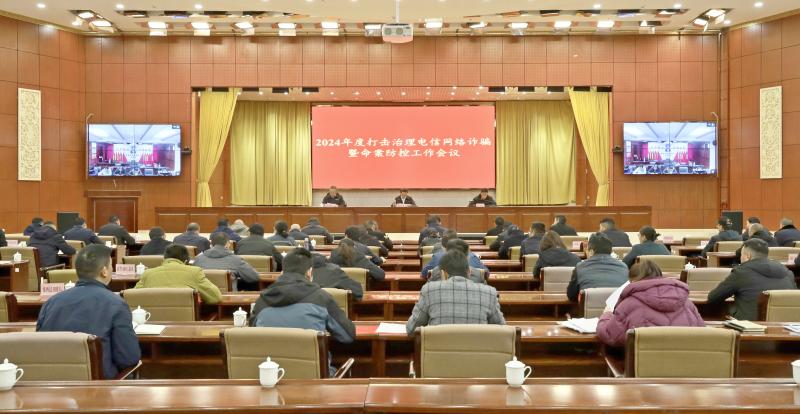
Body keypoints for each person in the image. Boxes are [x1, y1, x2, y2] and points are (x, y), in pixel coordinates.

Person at [36, 244, 140, 379]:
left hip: (53, 384)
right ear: (104, 271)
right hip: (100, 387)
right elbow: (128, 359)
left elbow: (39, 347)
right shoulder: (116, 304)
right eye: (111, 266)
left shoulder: (51, 302)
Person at [251, 249, 355, 377]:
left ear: (282, 272)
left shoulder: (261, 301)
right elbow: (347, 335)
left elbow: (253, 336)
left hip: (272, 377)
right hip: (316, 381)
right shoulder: (321, 298)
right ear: (310, 272)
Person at [596, 260, 704, 347]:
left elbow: (609, 335)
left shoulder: (628, 304)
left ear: (633, 281)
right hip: (686, 364)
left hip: (643, 366)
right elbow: (702, 332)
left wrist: (606, 315)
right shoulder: (687, 303)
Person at [406, 250, 505, 335]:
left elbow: (411, 329)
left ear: (443, 273)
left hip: (438, 351)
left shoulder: (428, 290)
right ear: (469, 272)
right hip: (478, 351)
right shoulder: (490, 293)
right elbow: (502, 331)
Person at [709, 238, 797, 320]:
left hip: (750, 326)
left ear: (748, 256)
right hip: (785, 324)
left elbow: (713, 297)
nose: (740, 258)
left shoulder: (741, 272)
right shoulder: (788, 273)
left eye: (741, 255)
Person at [134, 244, 222, 304]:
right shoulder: (195, 272)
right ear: (186, 261)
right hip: (187, 322)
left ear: (164, 259)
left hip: (152, 322)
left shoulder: (147, 273)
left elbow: (132, 297)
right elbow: (215, 297)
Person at [567, 233, 628, 302]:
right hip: (617, 308)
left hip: (589, 308)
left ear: (591, 251)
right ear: (611, 251)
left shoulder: (580, 267)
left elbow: (571, 295)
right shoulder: (624, 267)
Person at [194, 232, 260, 291]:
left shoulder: (198, 259)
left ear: (211, 244)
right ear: (228, 244)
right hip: (230, 299)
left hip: (204, 297)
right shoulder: (236, 260)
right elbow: (254, 277)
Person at [421, 231, 488, 279]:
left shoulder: (437, 257)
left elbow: (424, 274)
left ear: (444, 248)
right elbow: (486, 274)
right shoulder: (473, 257)